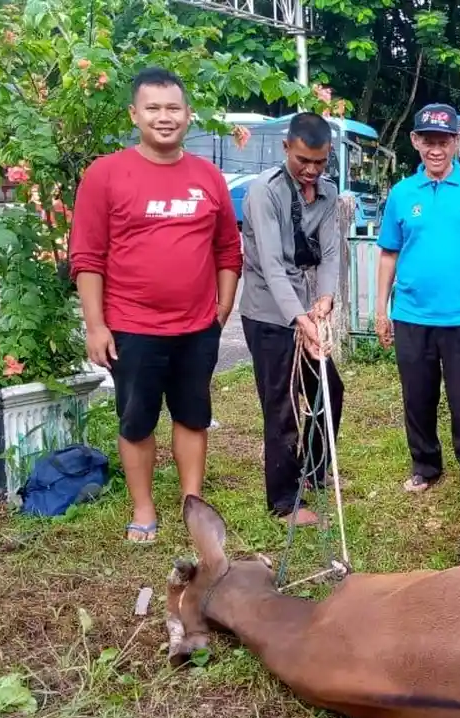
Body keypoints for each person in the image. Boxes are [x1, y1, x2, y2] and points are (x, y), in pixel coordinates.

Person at [69, 66, 241, 543]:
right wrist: (96, 325)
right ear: (135, 114)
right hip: (132, 327)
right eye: (153, 108)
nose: (164, 118)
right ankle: (143, 509)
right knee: (137, 418)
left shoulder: (208, 178)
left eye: (173, 108)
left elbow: (228, 248)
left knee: (192, 415)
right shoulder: (105, 174)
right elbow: (87, 257)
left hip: (196, 327)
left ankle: (192, 504)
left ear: (188, 115)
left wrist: (222, 308)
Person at [374, 103, 460, 494]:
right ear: (415, 141)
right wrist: (381, 308)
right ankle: (425, 465)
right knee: (418, 396)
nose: (436, 149)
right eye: (428, 140)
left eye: (443, 141)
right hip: (412, 315)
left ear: (456, 142)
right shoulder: (401, 194)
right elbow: (388, 254)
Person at [238, 111, 343, 526]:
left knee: (328, 391)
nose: (312, 170)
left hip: (304, 311)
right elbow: (270, 265)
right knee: (281, 405)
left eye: (320, 162)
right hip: (267, 314)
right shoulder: (264, 193)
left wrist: (325, 298)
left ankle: (312, 472)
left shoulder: (328, 193)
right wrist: (300, 319)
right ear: (286, 149)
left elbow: (331, 252)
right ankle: (283, 501)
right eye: (304, 161)